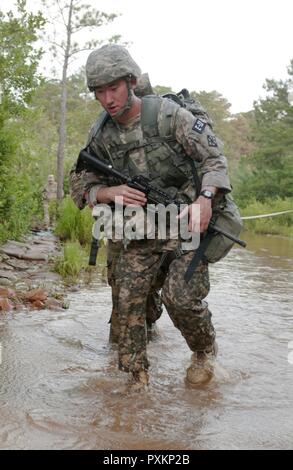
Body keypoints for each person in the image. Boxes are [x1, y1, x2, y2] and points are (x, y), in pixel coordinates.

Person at [70, 44, 232, 391]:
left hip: (188, 223)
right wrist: (106, 193)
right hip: (141, 228)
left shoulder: (169, 116)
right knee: (127, 301)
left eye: (113, 88)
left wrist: (205, 200)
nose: (108, 99)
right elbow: (79, 179)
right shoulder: (101, 134)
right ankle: (136, 381)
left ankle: (203, 352)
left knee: (181, 297)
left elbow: (214, 161)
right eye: (100, 92)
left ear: (130, 82)